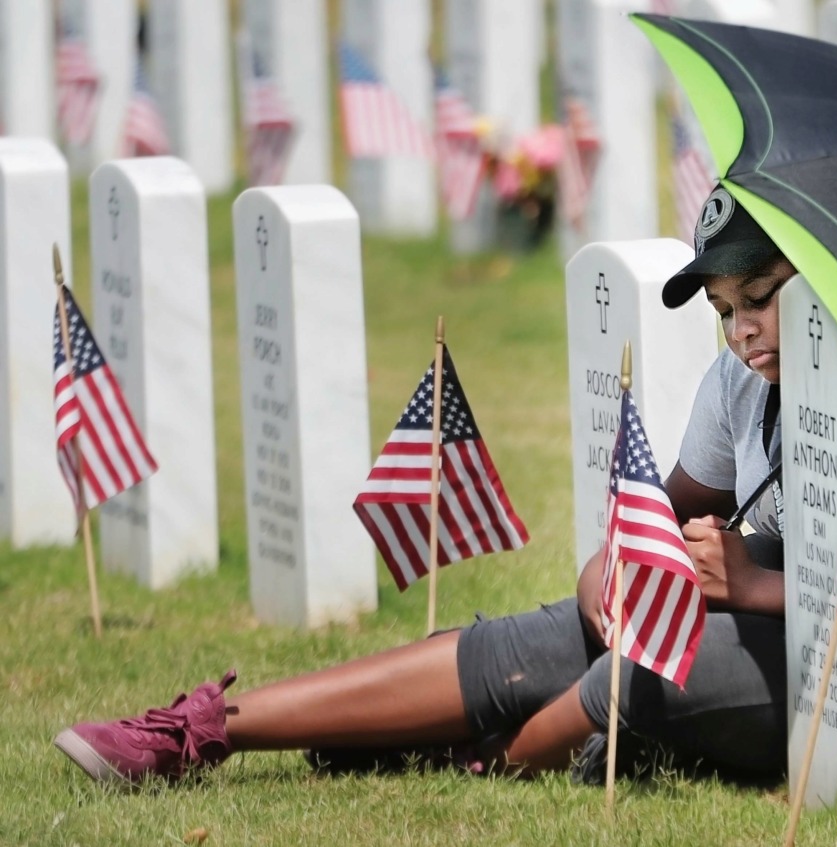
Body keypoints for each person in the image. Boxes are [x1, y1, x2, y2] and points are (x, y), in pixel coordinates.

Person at [54, 186, 797, 787]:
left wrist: (753, 585)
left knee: (639, 665)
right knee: (533, 640)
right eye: (725, 311)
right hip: (743, 613)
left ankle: (485, 754)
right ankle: (207, 730)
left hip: (806, 661)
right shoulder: (737, 380)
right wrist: (606, 567)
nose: (741, 333)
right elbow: (663, 517)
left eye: (759, 297)